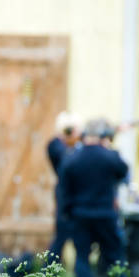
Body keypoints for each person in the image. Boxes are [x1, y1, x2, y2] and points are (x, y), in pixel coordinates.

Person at [60, 118, 130, 277]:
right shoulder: (110, 156)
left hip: (80, 215)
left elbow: (64, 191)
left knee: (82, 259)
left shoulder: (72, 158)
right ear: (103, 136)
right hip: (106, 215)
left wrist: (67, 214)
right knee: (115, 258)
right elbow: (123, 172)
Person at [46, 112, 81, 266]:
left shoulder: (75, 147)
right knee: (60, 237)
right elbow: (67, 161)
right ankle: (48, 272)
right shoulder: (55, 145)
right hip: (65, 196)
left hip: (77, 195)